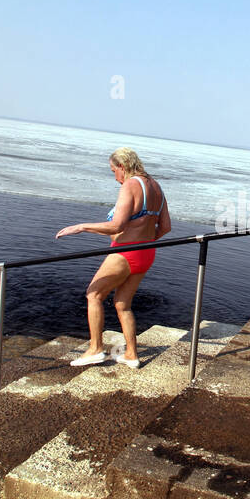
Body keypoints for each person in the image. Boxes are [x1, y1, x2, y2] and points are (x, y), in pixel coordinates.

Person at [56, 147, 171, 368]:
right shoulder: (157, 187)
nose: (115, 177)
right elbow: (165, 227)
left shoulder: (130, 185)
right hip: (147, 252)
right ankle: (131, 354)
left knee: (94, 295)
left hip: (125, 252)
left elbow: (116, 226)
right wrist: (144, 241)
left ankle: (95, 349)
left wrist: (81, 227)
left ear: (123, 166)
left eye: (113, 171)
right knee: (122, 303)